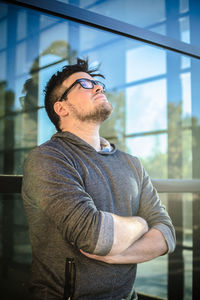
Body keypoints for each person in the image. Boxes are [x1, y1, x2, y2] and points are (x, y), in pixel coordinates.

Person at [22, 58, 176, 300]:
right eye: (83, 84)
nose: (98, 87)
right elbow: (94, 237)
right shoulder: (48, 159)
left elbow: (167, 234)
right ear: (61, 108)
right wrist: (142, 223)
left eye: (97, 83)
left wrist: (117, 254)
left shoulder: (131, 163)